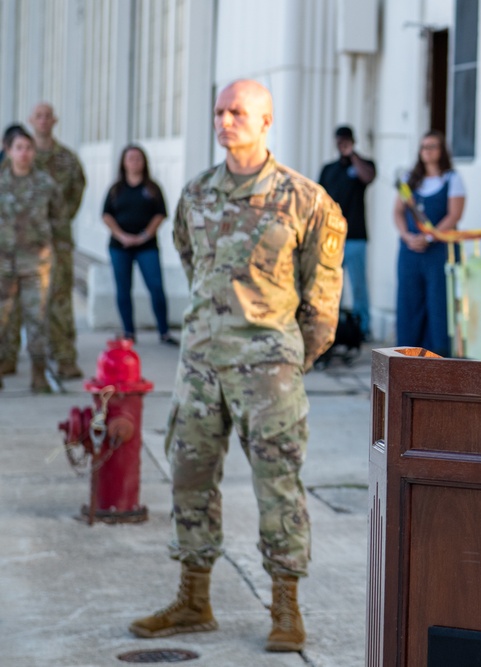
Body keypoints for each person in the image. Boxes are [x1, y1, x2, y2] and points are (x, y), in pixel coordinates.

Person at [128, 80, 347, 652]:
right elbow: (190, 259)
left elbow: (322, 307)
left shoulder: (307, 200)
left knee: (278, 486)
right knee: (190, 478)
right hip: (200, 366)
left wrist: (283, 355)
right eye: (220, 112)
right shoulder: (196, 194)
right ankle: (193, 599)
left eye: (239, 112)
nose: (227, 121)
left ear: (267, 119)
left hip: (267, 371)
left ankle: (285, 606)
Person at [16, 103, 86, 379]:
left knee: (59, 298)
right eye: (38, 116)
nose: (43, 121)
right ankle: (11, 356)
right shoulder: (20, 156)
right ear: (31, 120)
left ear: (54, 120)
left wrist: (58, 220)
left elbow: (77, 191)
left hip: (57, 241)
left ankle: (64, 357)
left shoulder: (67, 159)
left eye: (48, 116)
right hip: (24, 242)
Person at [393, 131, 466, 356]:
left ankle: (437, 355)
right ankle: (406, 354)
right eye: (424, 147)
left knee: (438, 303)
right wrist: (407, 236)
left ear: (441, 150)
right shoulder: (408, 179)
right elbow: (398, 211)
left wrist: (430, 236)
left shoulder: (452, 179)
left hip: (439, 250)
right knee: (409, 302)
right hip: (411, 251)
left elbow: (454, 215)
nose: (428, 151)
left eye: (433, 146)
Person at [0, 124, 59, 393]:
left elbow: (59, 222)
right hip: (3, 264)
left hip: (36, 265)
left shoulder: (46, 184)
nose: (24, 153)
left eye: (28, 148)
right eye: (19, 148)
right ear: (8, 151)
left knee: (37, 321)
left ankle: (39, 375)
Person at [101, 145, 176, 345]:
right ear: (123, 163)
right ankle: (129, 332)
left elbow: (160, 214)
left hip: (147, 246)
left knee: (156, 287)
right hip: (120, 246)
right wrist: (122, 236)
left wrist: (144, 235)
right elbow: (106, 215)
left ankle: (164, 331)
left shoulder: (152, 188)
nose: (134, 162)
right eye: (130, 158)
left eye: (138, 158)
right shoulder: (116, 189)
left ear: (144, 162)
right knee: (123, 289)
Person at [317, 125, 376, 339]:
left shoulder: (364, 164)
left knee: (359, 283)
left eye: (346, 141)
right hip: (332, 236)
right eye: (339, 142)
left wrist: (352, 155)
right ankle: (334, 327)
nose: (342, 145)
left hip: (356, 236)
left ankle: (363, 327)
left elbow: (368, 177)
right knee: (332, 284)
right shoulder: (329, 169)